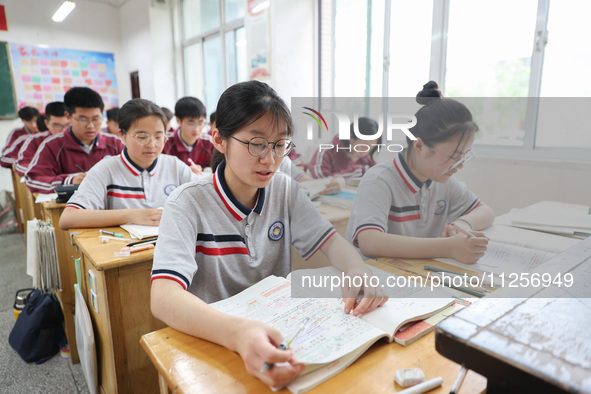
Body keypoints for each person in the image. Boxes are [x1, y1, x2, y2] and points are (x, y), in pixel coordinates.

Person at [150, 80, 387, 389]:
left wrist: (358, 270)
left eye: (280, 145)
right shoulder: (187, 202)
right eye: (256, 143)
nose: (270, 159)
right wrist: (237, 332)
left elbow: (331, 242)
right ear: (219, 140)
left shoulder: (284, 190)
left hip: (279, 336)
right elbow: (163, 297)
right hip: (212, 340)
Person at [346, 82, 495, 264]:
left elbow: (485, 211)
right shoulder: (379, 180)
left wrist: (461, 224)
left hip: (416, 271)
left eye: (464, 157)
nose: (459, 166)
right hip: (375, 277)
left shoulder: (443, 181)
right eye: (453, 157)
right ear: (419, 146)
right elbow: (370, 241)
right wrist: (448, 247)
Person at [59, 99, 197, 230]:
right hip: (122, 250)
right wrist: (131, 215)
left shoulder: (175, 166)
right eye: (142, 137)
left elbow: (207, 198)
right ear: (122, 135)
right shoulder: (106, 169)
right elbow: (68, 218)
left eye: (158, 137)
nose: (151, 145)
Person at [24, 87, 124, 194]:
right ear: (68, 116)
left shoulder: (115, 144)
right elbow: (32, 179)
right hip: (68, 208)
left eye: (96, 119)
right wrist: (69, 181)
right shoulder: (52, 146)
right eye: (82, 119)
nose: (90, 126)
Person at [308, 117, 381, 180]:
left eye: (370, 148)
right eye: (363, 146)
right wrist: (359, 172)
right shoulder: (325, 151)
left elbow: (376, 168)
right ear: (351, 137)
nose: (365, 152)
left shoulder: (365, 157)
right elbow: (321, 179)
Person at [14, 102, 70, 177]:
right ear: (47, 123)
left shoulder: (81, 139)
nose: (63, 130)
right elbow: (21, 164)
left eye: (67, 125)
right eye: (57, 126)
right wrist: (40, 172)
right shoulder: (35, 140)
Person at [163, 96, 214, 175]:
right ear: (178, 120)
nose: (196, 129)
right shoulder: (165, 142)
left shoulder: (209, 143)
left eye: (200, 123)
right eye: (191, 123)